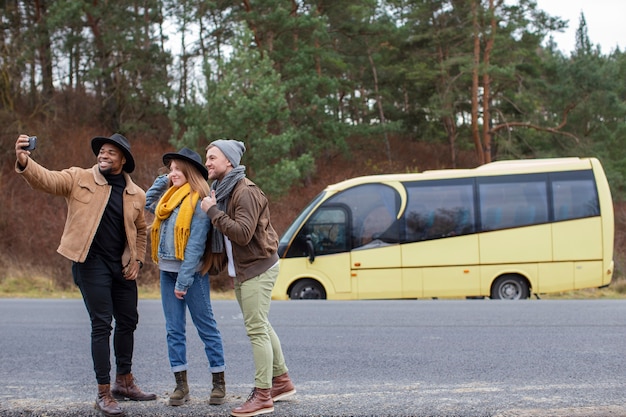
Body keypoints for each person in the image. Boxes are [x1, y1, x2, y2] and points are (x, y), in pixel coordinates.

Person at [14, 133, 155, 417]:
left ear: (123, 159)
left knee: (129, 319)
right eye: (101, 151)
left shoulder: (136, 194)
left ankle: (124, 382)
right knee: (102, 324)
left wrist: (138, 259)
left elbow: (142, 230)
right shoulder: (78, 178)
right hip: (89, 263)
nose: (103, 155)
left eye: (110, 152)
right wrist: (25, 162)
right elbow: (48, 180)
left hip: (122, 266)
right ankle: (103, 392)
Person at [200, 139, 296, 417]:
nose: (208, 162)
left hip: (259, 266)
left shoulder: (244, 192)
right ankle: (282, 382)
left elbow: (242, 233)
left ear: (228, 162)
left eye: (212, 158)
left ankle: (263, 395)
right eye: (207, 157)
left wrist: (213, 212)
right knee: (261, 325)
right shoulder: (222, 189)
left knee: (256, 329)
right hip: (245, 268)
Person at [144, 147, 226, 406]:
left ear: (190, 172)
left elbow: (195, 246)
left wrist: (183, 281)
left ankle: (218, 384)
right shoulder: (167, 199)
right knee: (173, 330)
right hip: (167, 273)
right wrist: (163, 180)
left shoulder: (199, 201)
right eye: (171, 169)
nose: (173, 173)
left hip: (192, 275)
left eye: (178, 169)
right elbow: (147, 201)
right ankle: (181, 386)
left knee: (206, 328)